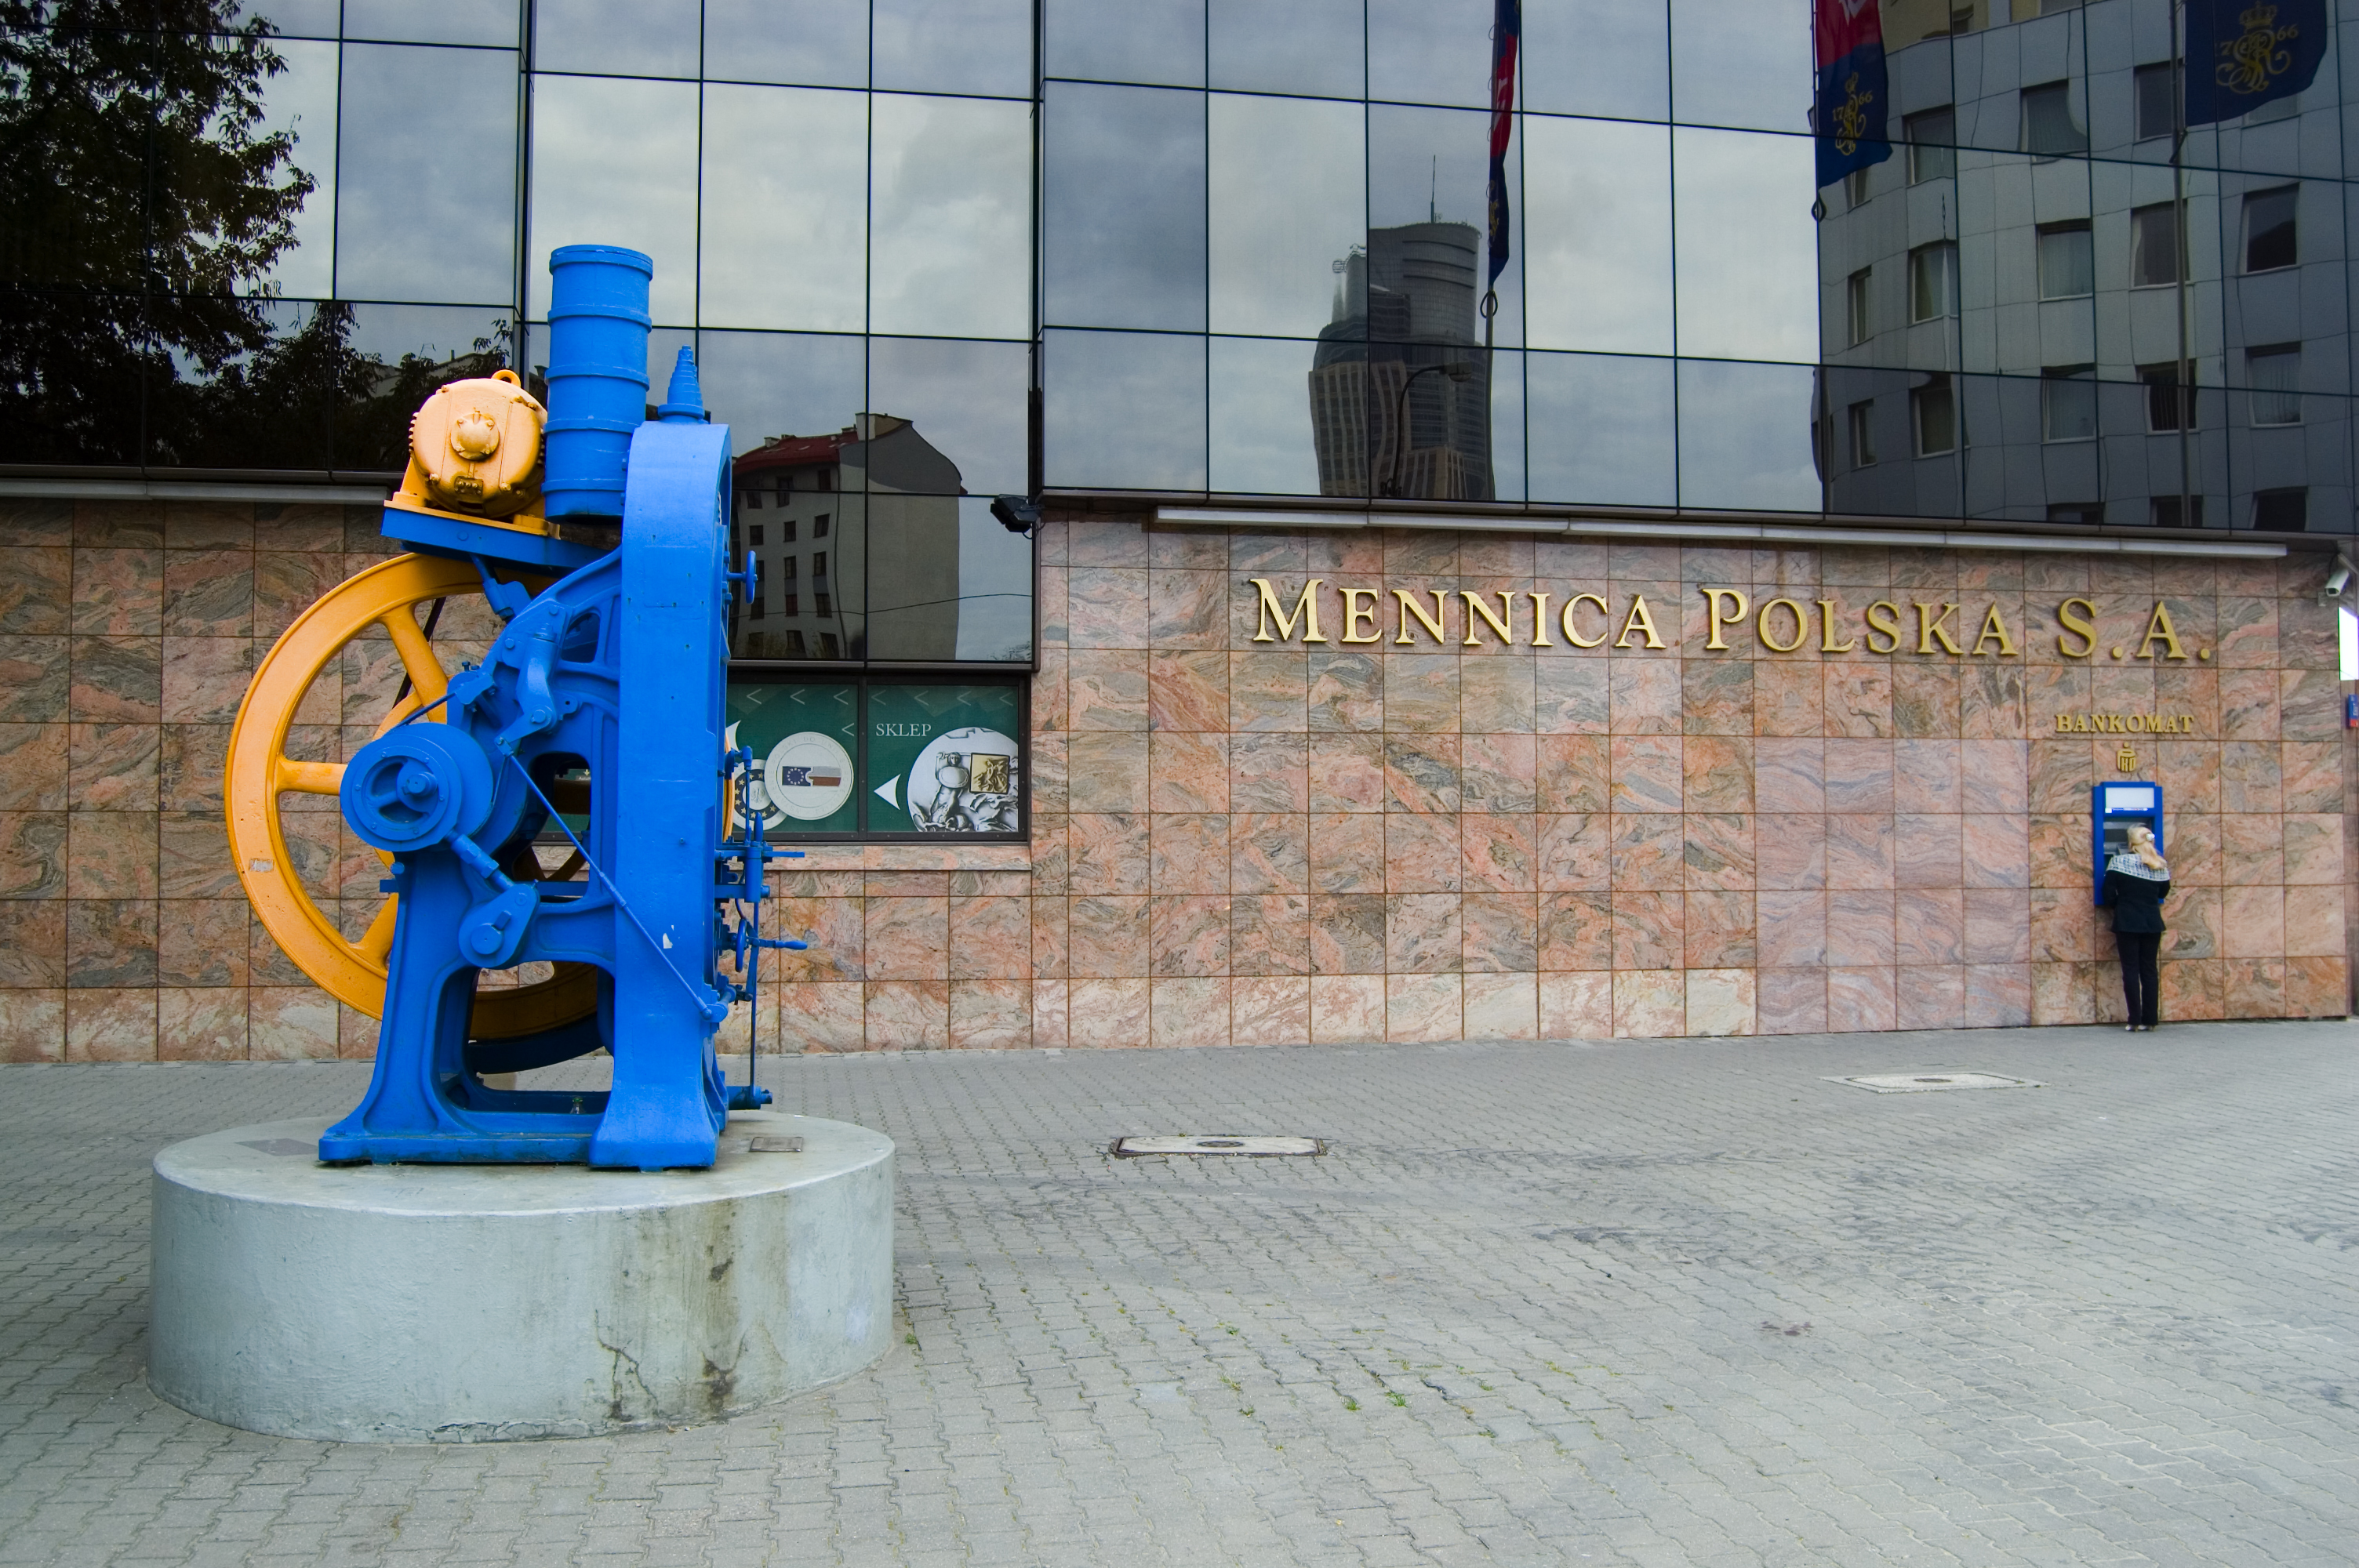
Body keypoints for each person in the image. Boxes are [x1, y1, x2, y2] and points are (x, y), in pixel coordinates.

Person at [2101, 824, 2171, 1031]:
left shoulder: (2119, 862)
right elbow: (2163, 893)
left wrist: (2121, 905)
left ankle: (2134, 1020)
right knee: (2149, 970)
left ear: (2131, 842)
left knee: (2130, 969)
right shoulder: (2159, 865)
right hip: (2152, 923)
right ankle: (2150, 1020)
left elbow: (2108, 894)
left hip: (2127, 923)